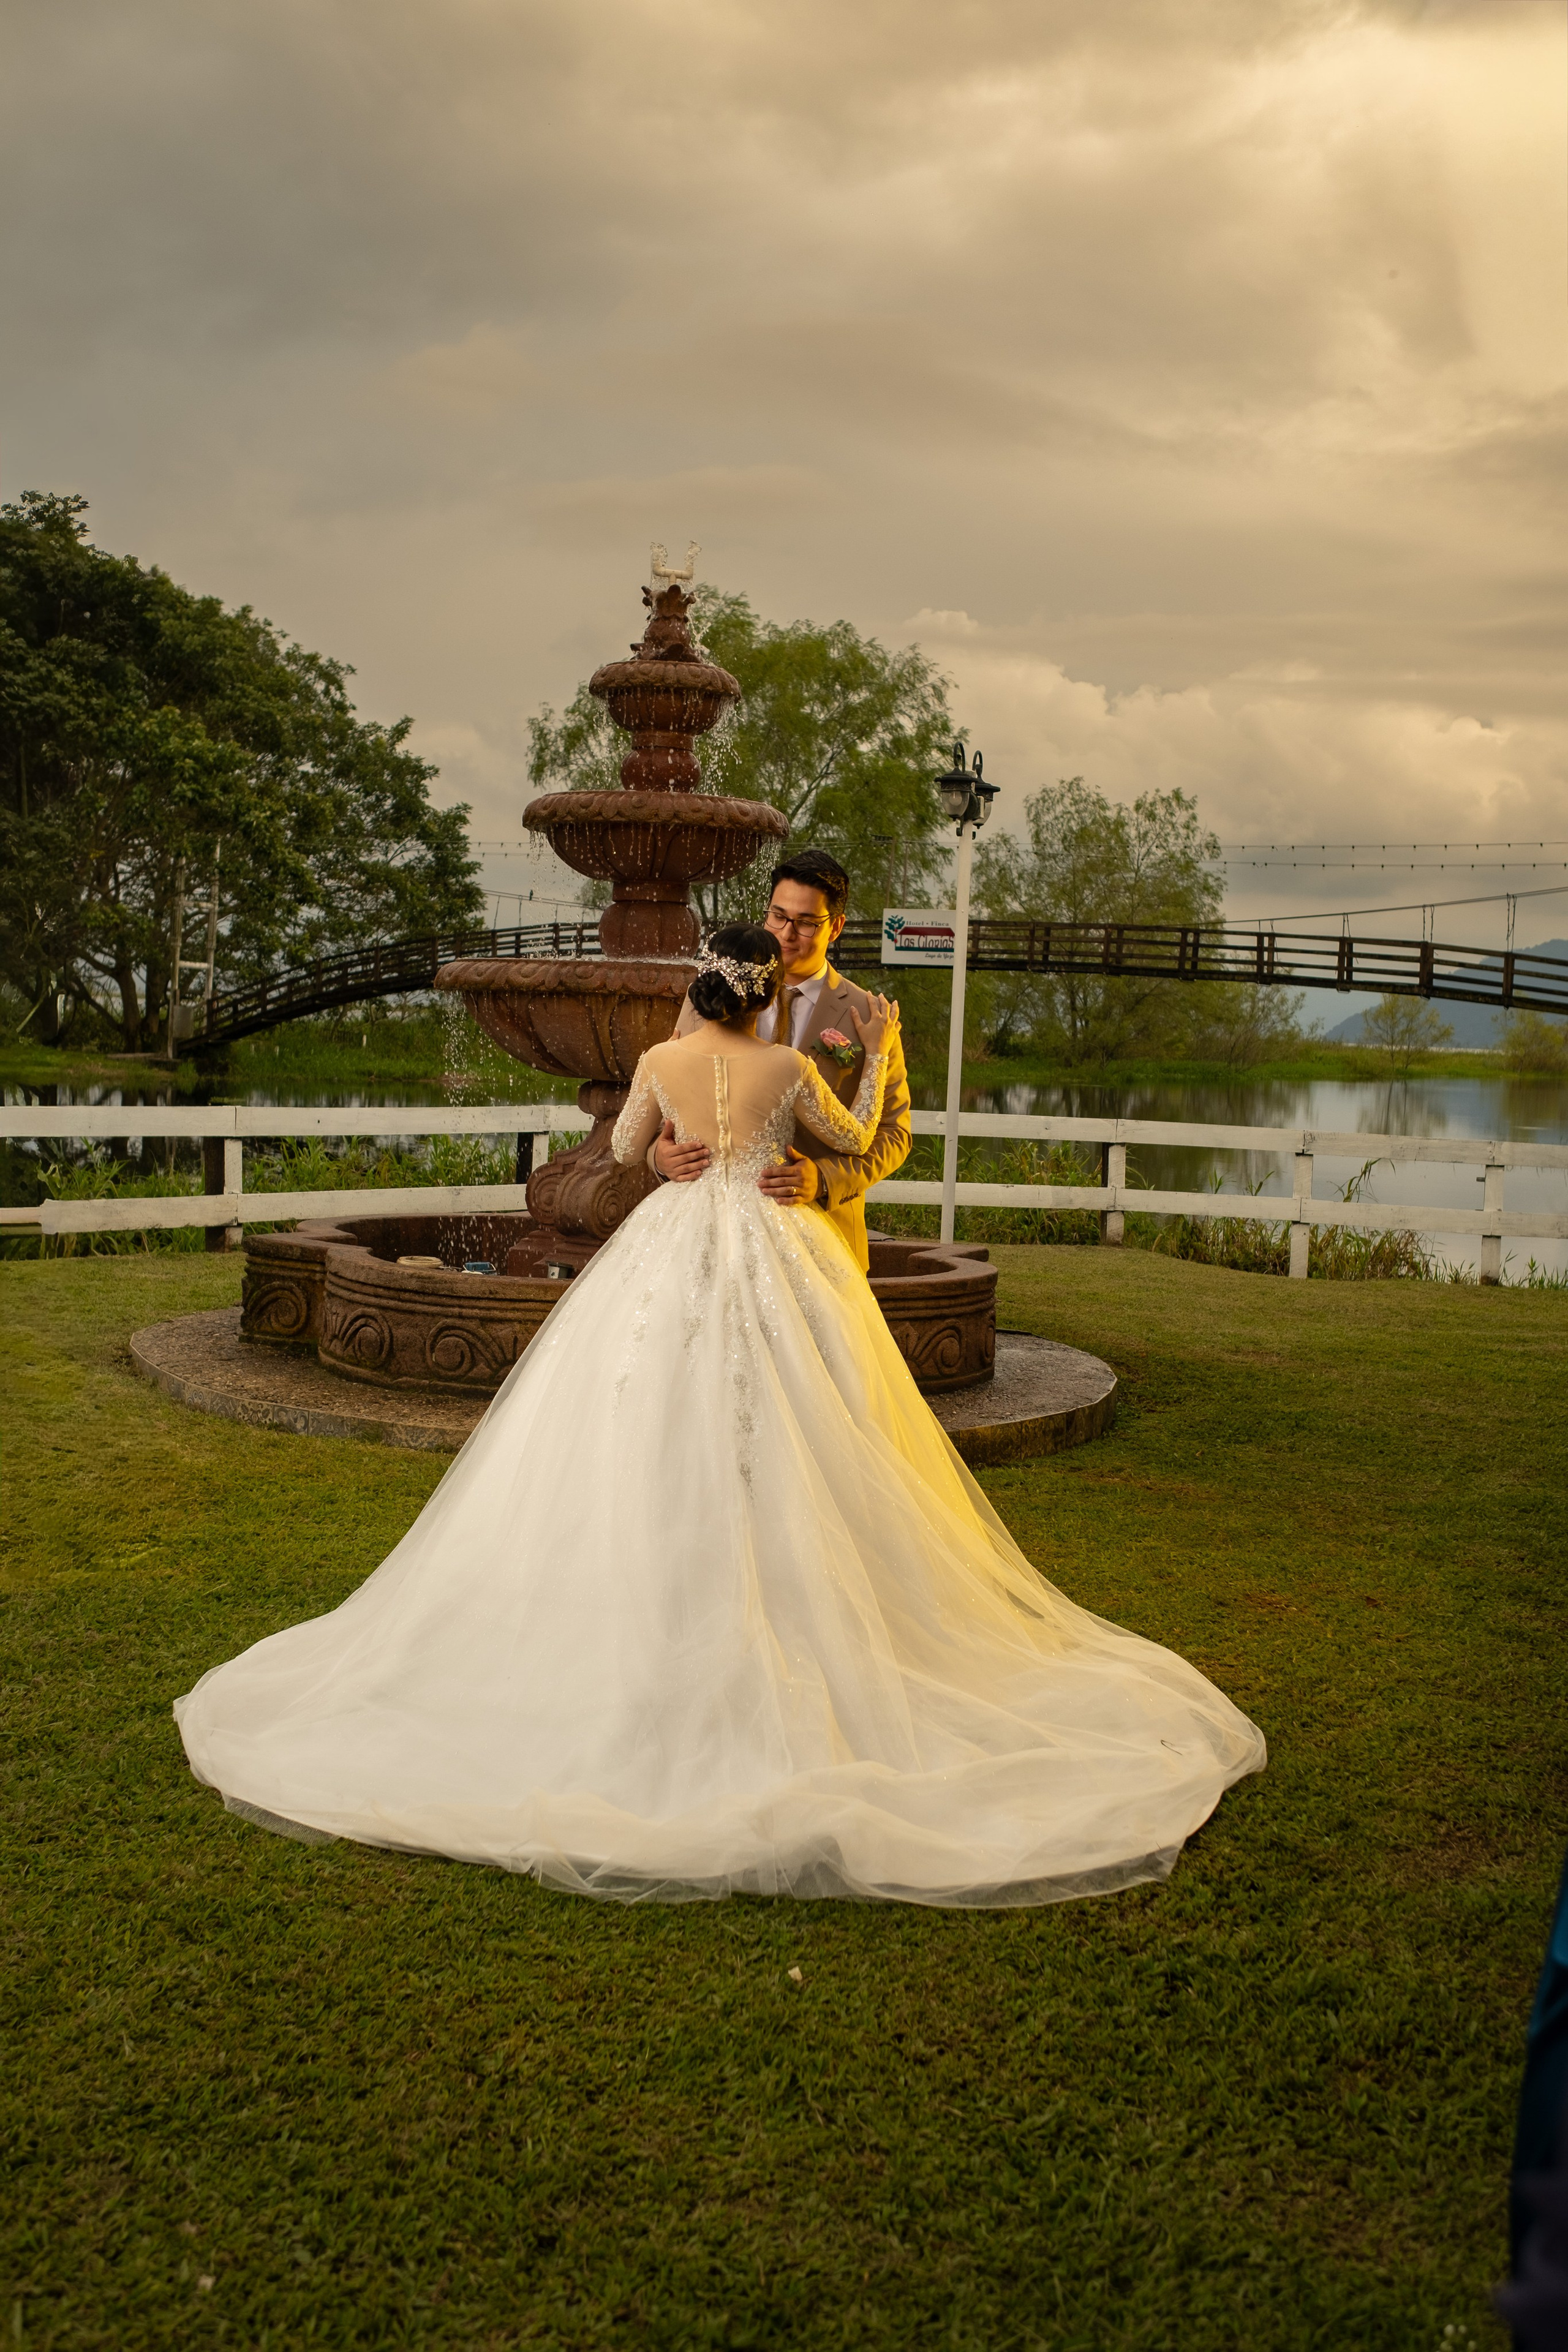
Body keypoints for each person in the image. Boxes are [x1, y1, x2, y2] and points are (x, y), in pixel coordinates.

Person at [175, 923, 1265, 1907]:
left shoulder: (657, 1061)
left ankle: (645, 1583)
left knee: (638, 1406)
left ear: (702, 991)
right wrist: (876, 1054)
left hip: (678, 1238)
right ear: (763, 998)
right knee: (801, 1413)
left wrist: (658, 1155)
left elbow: (614, 1156)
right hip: (770, 1234)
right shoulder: (789, 1064)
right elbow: (845, 1137)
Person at [650, 850, 910, 1271]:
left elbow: (895, 1133)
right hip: (713, 1243)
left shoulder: (870, 1016)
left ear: (837, 927)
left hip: (824, 1246)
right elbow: (665, 1098)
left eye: (807, 922)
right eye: (778, 916)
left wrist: (824, 1180)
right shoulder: (707, 1000)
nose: (788, 934)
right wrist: (659, 1158)